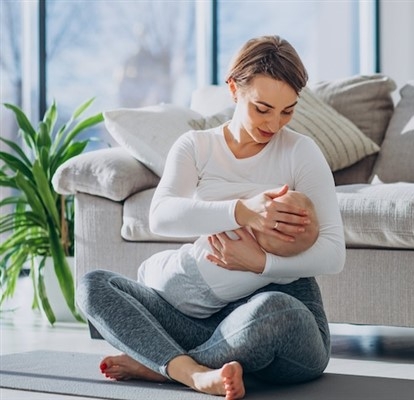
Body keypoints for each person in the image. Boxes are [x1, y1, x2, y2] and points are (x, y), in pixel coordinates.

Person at [76, 35, 345, 400]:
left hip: (279, 324)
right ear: (234, 89)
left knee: (275, 310)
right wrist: (242, 211)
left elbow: (333, 253)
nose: (275, 124)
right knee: (92, 285)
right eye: (262, 108)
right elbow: (161, 215)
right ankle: (196, 373)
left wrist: (261, 263)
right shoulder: (197, 146)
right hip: (200, 319)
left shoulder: (301, 152)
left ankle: (165, 366)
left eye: (288, 111)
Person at [138, 189, 320, 319]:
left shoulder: (237, 229)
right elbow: (296, 272)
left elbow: (209, 214)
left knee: (145, 270)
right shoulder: (281, 274)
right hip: (201, 309)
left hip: (181, 270)